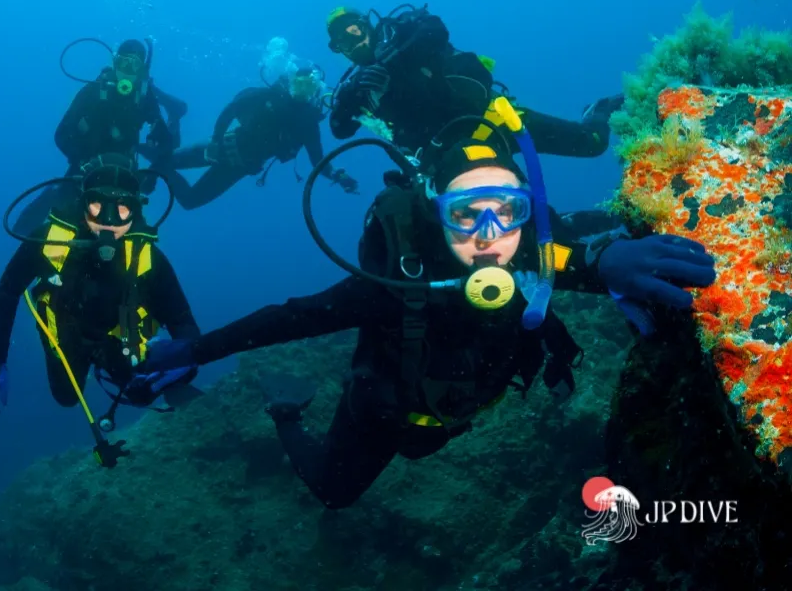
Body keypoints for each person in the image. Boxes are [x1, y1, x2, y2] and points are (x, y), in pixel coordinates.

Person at [140, 98, 716, 508]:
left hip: (459, 414)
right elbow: (291, 317)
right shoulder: (392, 284)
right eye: (466, 214)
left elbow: (576, 259)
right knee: (334, 494)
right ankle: (286, 410)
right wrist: (198, 347)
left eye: (507, 210)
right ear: (437, 214)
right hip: (383, 416)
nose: (489, 235)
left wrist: (606, 256)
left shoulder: (528, 258)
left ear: (526, 211)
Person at [0, 153, 201, 437]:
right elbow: (7, 292)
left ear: (136, 211)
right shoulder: (50, 240)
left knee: (140, 389)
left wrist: (181, 365)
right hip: (65, 330)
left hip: (118, 336)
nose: (109, 220)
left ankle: (126, 370)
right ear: (83, 205)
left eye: (123, 208)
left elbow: (182, 319)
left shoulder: (149, 258)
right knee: (66, 397)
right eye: (97, 205)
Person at [325, 4, 623, 156]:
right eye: (343, 43)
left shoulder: (403, 33)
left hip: (494, 121)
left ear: (368, 25)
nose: (355, 44)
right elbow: (339, 130)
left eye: (355, 31)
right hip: (444, 161)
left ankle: (596, 110)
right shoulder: (359, 88)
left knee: (592, 145)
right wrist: (352, 94)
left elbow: (436, 29)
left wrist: (392, 59)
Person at [13, 38, 188, 234]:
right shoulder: (92, 92)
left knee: (131, 229)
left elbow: (165, 142)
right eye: (124, 62)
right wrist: (82, 160)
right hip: (84, 170)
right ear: (115, 62)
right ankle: (26, 234)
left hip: (124, 175)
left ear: (141, 70)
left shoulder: (145, 100)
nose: (128, 70)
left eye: (134, 65)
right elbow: (61, 134)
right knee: (63, 213)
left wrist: (151, 175)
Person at [152, 62, 359, 210]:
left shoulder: (308, 124)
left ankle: (159, 163)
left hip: (238, 168)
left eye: (309, 86)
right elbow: (231, 110)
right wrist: (215, 140)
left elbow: (318, 161)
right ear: (291, 82)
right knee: (160, 160)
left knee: (189, 201)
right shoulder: (269, 95)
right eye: (299, 83)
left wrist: (337, 175)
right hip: (223, 145)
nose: (302, 90)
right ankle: (171, 123)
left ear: (316, 91)